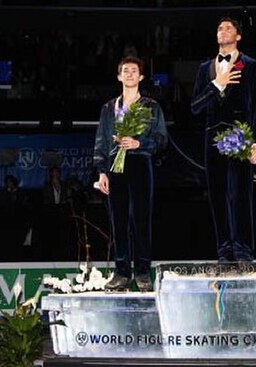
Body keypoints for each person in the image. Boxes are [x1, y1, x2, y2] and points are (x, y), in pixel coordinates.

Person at [190, 17, 256, 262]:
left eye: (228, 28)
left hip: (240, 135)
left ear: (238, 36)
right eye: (219, 28)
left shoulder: (251, 65)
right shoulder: (205, 69)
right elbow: (195, 107)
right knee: (217, 195)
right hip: (212, 138)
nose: (223, 31)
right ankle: (224, 251)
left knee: (240, 195)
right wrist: (216, 84)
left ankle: (243, 250)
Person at [94, 56, 167, 292]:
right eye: (125, 71)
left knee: (141, 219)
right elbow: (102, 140)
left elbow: (161, 138)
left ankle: (143, 272)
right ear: (118, 76)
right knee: (119, 220)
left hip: (140, 164)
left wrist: (140, 144)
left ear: (141, 77)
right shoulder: (109, 108)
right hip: (116, 166)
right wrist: (102, 171)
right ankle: (122, 272)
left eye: (134, 71)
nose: (129, 74)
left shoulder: (151, 106)